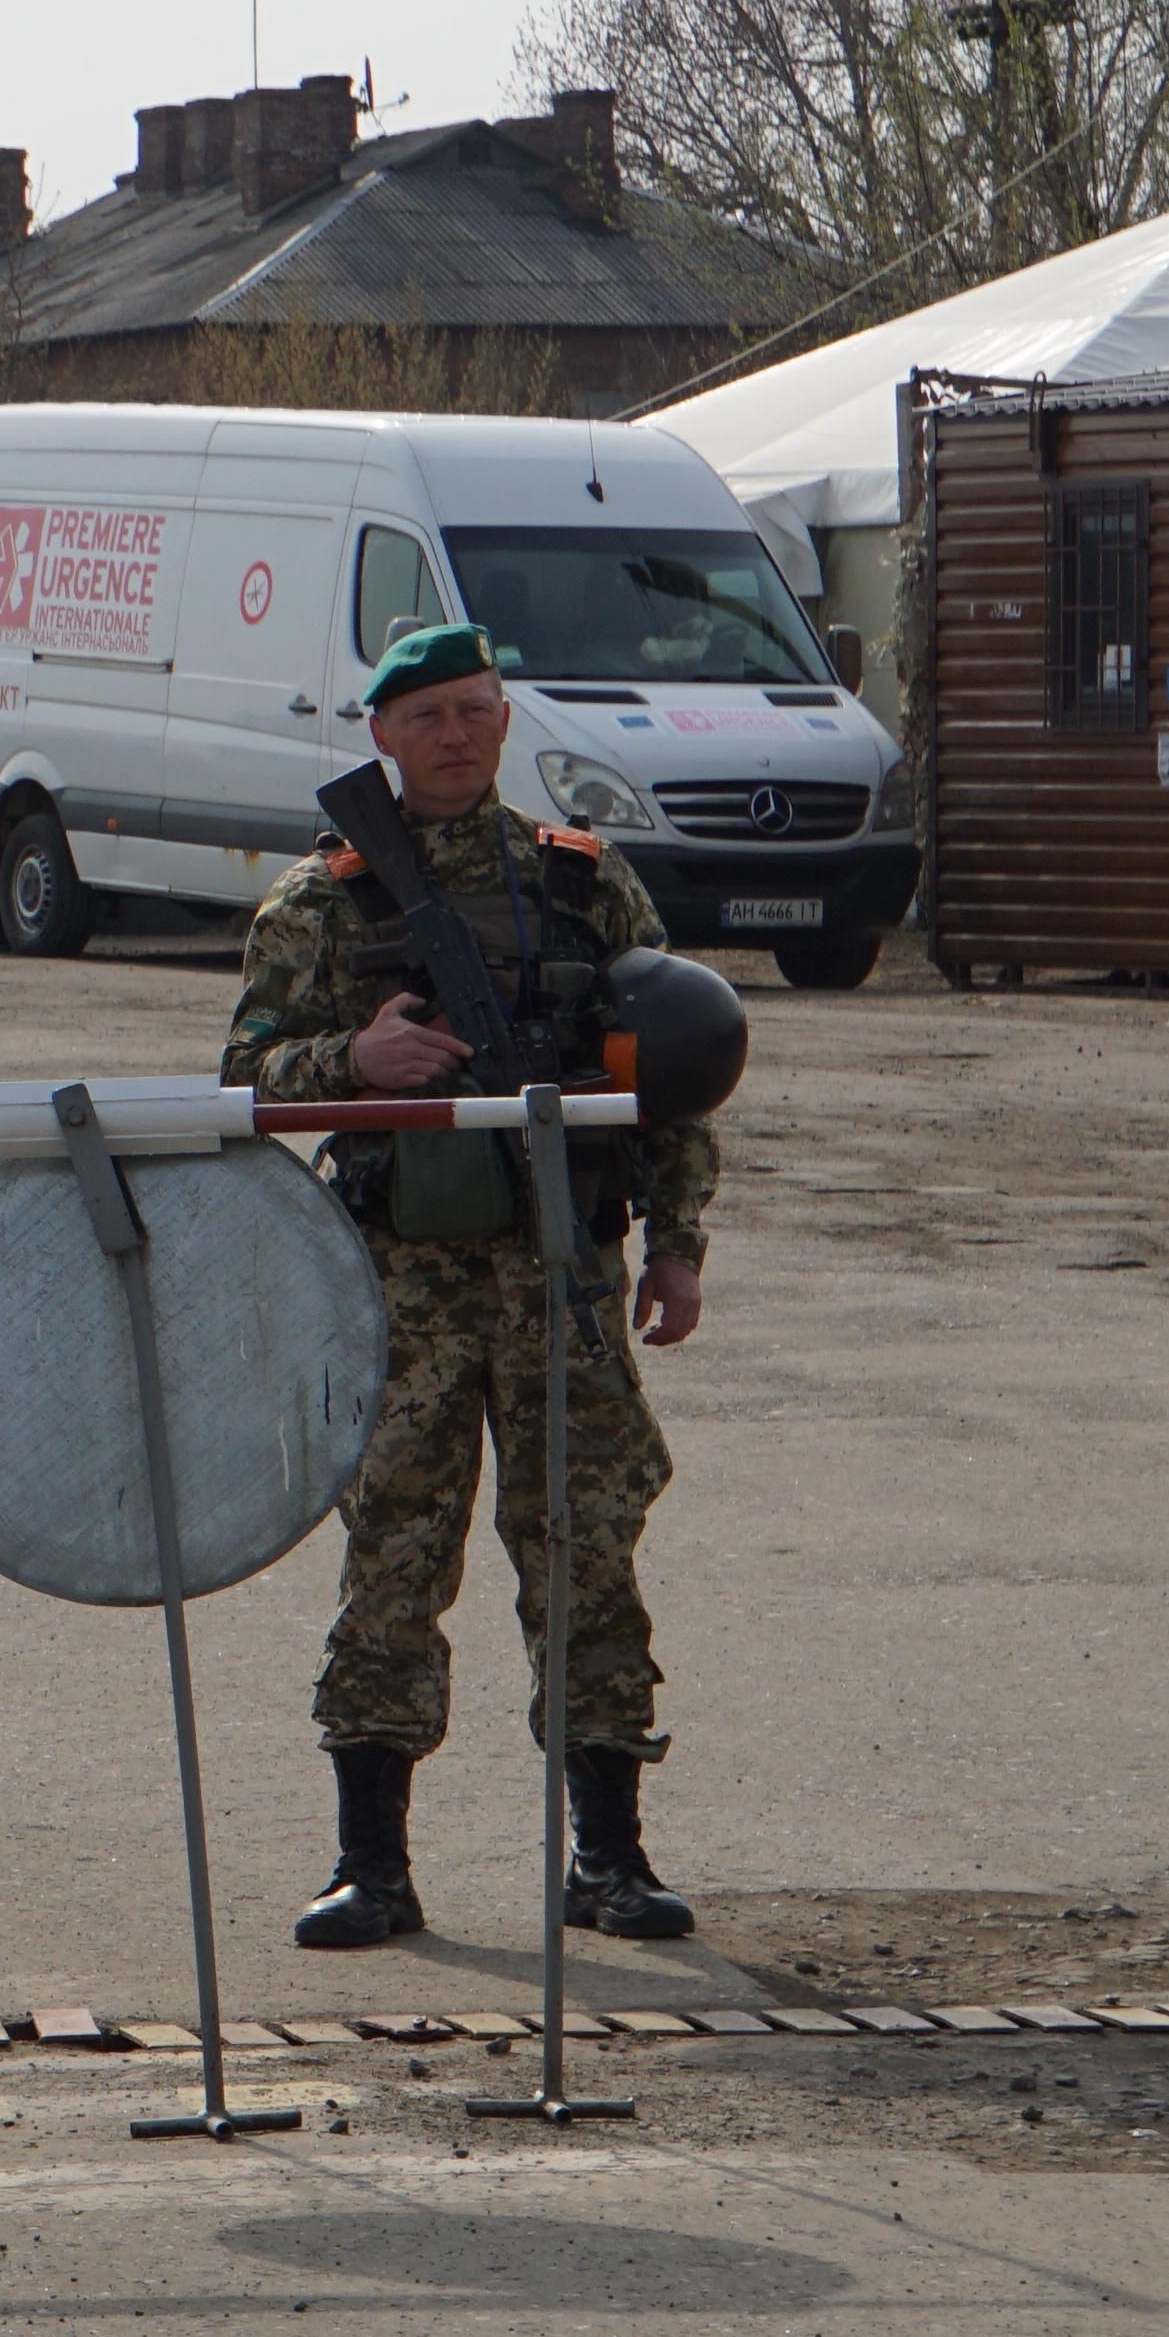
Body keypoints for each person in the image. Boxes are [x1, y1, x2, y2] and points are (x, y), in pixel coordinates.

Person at [221, 622, 724, 1951]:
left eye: (475, 710)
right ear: (381, 735)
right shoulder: (321, 902)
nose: (454, 735)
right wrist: (353, 1060)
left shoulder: (582, 884)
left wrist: (677, 1242)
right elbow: (244, 1077)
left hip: (562, 1277)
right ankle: (370, 1867)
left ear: (506, 721)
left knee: (589, 1555)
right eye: (427, 715)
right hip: (402, 1291)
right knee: (393, 1559)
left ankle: (608, 1858)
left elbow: (669, 1071)